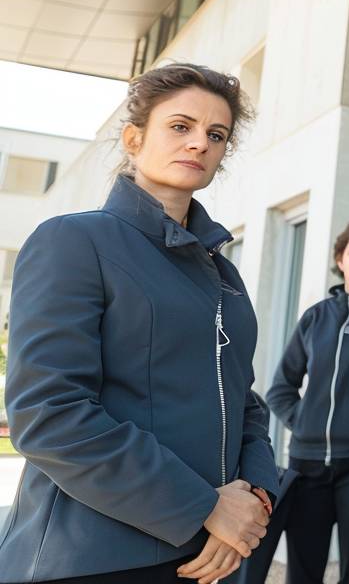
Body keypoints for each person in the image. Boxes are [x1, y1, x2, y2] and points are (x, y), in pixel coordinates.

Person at [0, 63, 278, 583]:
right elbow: (48, 413)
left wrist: (253, 499)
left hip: (202, 554)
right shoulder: (74, 241)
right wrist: (203, 506)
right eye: (180, 126)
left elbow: (244, 401)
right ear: (134, 138)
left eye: (216, 134)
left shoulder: (224, 275)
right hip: (92, 557)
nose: (199, 143)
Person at [245, 220, 349, 584]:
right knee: (304, 567)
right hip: (307, 464)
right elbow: (281, 388)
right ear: (340, 260)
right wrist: (305, 423)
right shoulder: (316, 317)